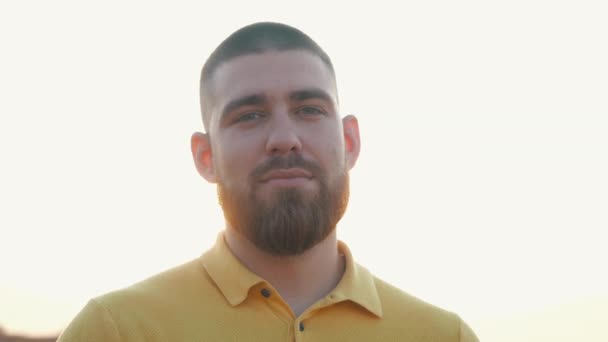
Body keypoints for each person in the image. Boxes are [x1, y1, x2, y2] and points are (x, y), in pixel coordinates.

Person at [59, 22, 479, 341]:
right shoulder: (115, 331)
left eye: (309, 109)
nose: (284, 139)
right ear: (206, 157)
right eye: (250, 116)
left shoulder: (442, 335)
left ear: (349, 141)